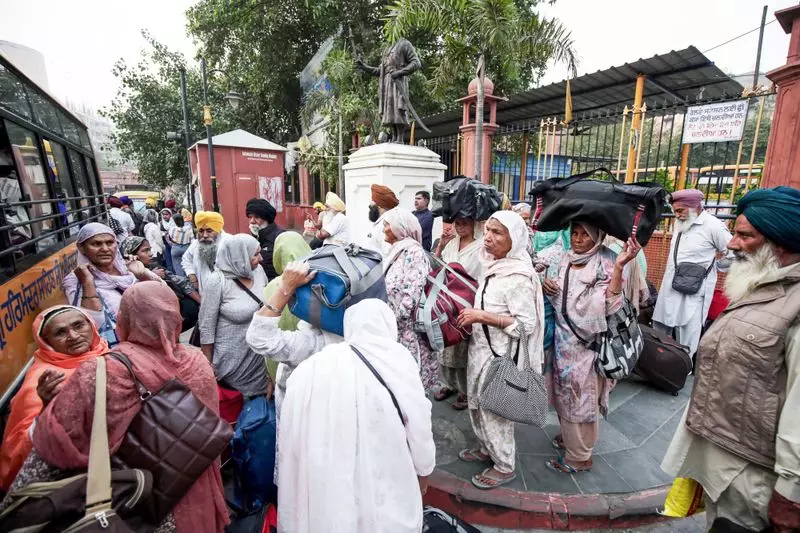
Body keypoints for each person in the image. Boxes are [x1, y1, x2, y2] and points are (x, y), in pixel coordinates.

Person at [31, 282, 230, 533]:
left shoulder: (104, 371)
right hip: (195, 479)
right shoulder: (197, 359)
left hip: (138, 494)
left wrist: (49, 406)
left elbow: (60, 445)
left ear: (124, 318)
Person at [661, 187, 800, 533]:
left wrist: (791, 493)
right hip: (725, 464)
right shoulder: (759, 289)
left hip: (756, 478)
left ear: (780, 243)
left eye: (744, 236)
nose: (733, 245)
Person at [277, 299, 436, 532]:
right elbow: (418, 420)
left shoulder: (316, 365)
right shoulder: (398, 359)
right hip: (386, 468)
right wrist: (424, 469)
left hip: (331, 473)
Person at [542, 222, 641, 474]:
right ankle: (570, 438)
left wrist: (620, 266)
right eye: (574, 233)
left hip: (588, 346)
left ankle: (580, 457)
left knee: (582, 400)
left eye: (585, 234)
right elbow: (561, 294)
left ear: (598, 236)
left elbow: (610, 304)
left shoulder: (608, 261)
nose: (577, 239)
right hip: (563, 344)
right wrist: (547, 284)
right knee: (565, 395)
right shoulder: (565, 258)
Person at [456, 211, 545, 489]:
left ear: (514, 239)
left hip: (501, 357)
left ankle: (504, 465)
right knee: (477, 405)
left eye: (498, 233)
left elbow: (525, 326)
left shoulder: (517, 277)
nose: (489, 238)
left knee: (495, 411)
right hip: (481, 350)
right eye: (489, 231)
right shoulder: (494, 266)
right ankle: (487, 449)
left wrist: (482, 317)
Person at [0, 306, 109, 491]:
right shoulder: (43, 381)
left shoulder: (102, 352)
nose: (73, 336)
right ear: (46, 341)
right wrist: (47, 409)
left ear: (92, 326)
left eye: (78, 325)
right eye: (60, 333)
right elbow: (18, 452)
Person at [653, 188, 731, 358]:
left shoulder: (713, 225)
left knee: (688, 328)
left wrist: (716, 267)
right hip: (671, 284)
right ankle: (659, 362)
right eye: (675, 212)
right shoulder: (681, 223)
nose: (677, 215)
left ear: (695, 206)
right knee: (661, 323)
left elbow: (734, 252)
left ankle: (683, 365)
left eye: (680, 210)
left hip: (695, 289)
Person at [63, 223, 158, 345]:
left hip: (149, 341)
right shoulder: (77, 279)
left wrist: (142, 274)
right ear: (81, 248)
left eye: (109, 243)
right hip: (120, 351)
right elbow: (92, 323)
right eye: (96, 244)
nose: (105, 249)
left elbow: (163, 296)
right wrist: (88, 283)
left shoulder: (128, 269)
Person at [199, 234, 269, 397]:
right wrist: (207, 365)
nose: (261, 259)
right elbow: (206, 326)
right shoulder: (217, 281)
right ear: (240, 256)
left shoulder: (258, 272)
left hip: (258, 358)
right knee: (235, 407)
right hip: (230, 363)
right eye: (255, 254)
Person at [383, 208, 436, 390]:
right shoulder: (396, 251)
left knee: (410, 385)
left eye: (387, 225)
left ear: (400, 228)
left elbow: (410, 297)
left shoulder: (414, 253)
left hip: (409, 333)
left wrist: (391, 318)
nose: (384, 229)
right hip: (395, 330)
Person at [434, 217, 484, 410]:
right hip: (446, 301)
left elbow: (479, 275)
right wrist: (441, 245)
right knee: (445, 343)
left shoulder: (480, 247)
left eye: (465, 223)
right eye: (458, 223)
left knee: (462, 346)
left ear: (474, 224)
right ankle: (448, 384)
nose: (461, 226)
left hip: (466, 301)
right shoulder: (452, 244)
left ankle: (464, 391)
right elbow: (438, 266)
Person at [122, 236, 201, 332]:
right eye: (145, 251)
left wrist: (202, 303)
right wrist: (150, 277)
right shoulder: (126, 277)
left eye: (150, 249)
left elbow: (181, 282)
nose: (151, 254)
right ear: (132, 255)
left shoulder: (155, 266)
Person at [182, 211, 226, 293]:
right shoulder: (196, 244)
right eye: (201, 231)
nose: (205, 235)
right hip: (204, 294)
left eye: (209, 231)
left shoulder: (230, 244)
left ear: (218, 231)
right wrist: (192, 276)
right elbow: (186, 259)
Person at [246, 198, 285, 280]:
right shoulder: (252, 238)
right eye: (250, 217)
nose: (252, 221)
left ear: (266, 218)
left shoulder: (281, 236)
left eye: (257, 217)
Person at [364, 184, 399, 256]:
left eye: (372, 204)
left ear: (379, 206)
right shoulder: (381, 220)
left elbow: (387, 253)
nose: (369, 205)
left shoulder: (387, 224)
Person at [160, 207, 176, 272]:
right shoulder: (161, 223)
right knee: (168, 260)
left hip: (174, 244)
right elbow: (159, 232)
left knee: (175, 260)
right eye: (163, 214)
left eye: (166, 214)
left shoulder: (174, 222)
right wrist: (164, 233)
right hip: (166, 245)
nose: (164, 216)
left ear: (170, 215)